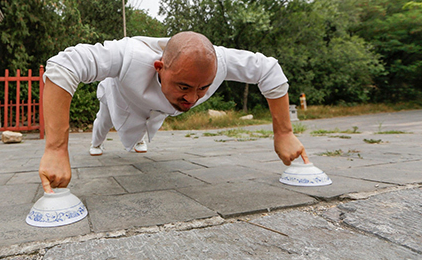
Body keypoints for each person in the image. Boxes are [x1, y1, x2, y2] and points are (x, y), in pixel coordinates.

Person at [39, 32, 309, 193]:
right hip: (119, 98)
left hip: (159, 108)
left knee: (152, 120)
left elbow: (270, 70)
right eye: (184, 86)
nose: (192, 98)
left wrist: (284, 132)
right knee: (104, 121)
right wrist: (56, 149)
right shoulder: (127, 55)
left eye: (202, 88)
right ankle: (96, 142)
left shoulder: (220, 62)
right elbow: (63, 66)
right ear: (159, 67)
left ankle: (141, 135)